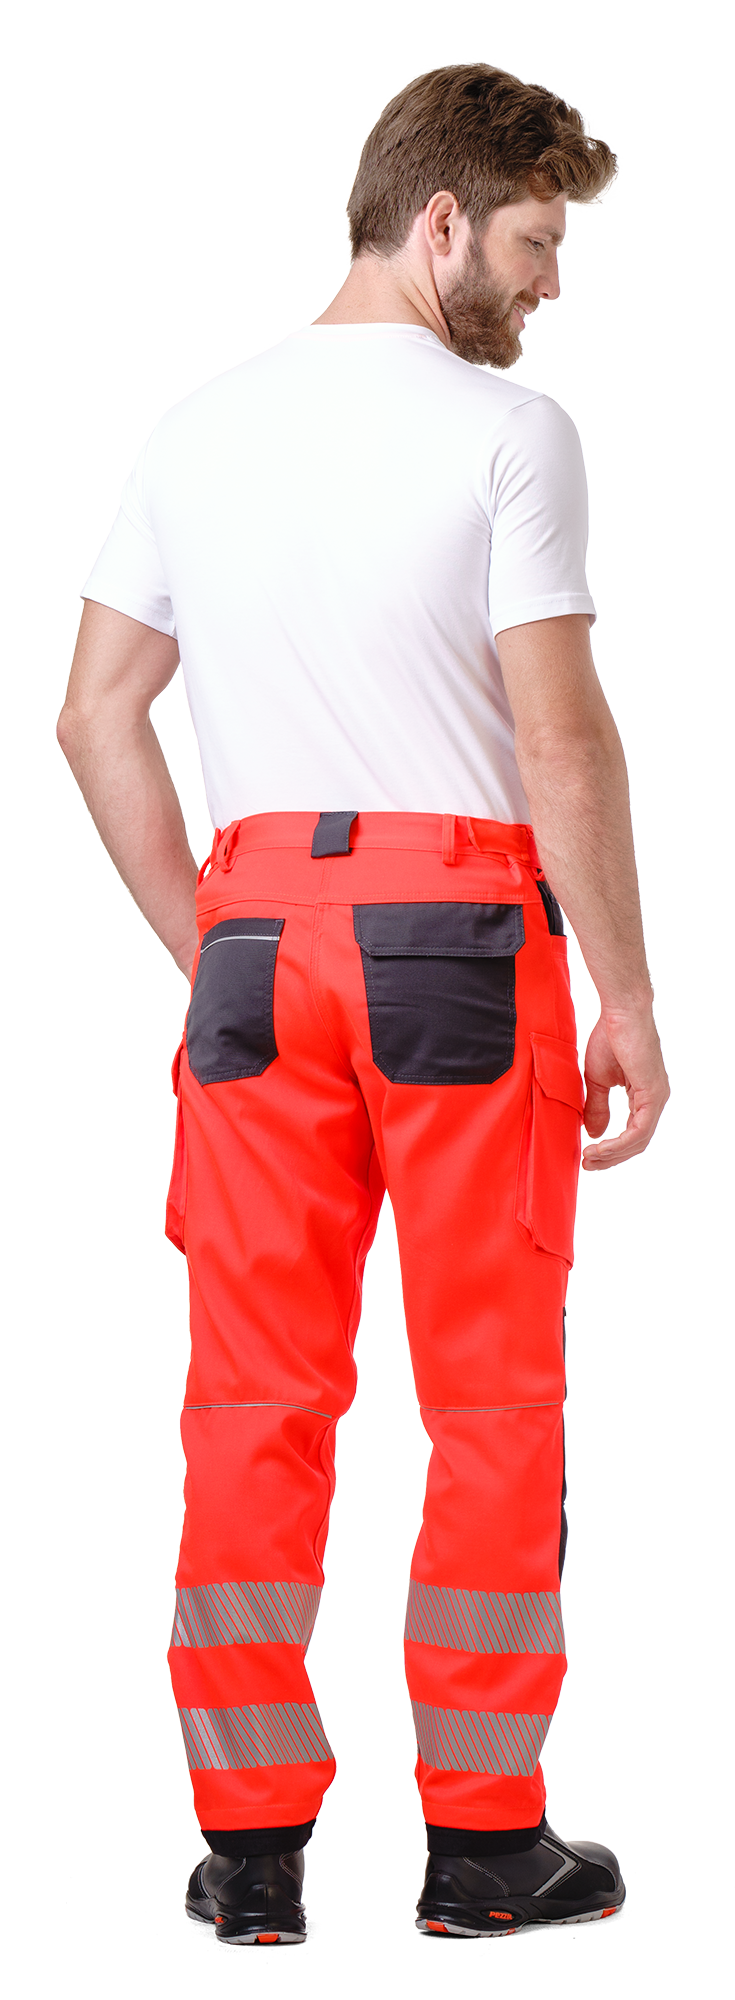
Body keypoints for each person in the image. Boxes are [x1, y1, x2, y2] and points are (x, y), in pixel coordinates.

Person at [57, 61, 670, 1947]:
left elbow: (94, 712)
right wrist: (628, 995)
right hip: (455, 944)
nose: (548, 285)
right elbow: (557, 739)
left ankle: (246, 1859)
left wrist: (218, 945)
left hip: (255, 934)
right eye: (536, 242)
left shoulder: (199, 429)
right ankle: (481, 1854)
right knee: (485, 1396)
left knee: (253, 1398)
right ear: (439, 220)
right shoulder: (506, 431)